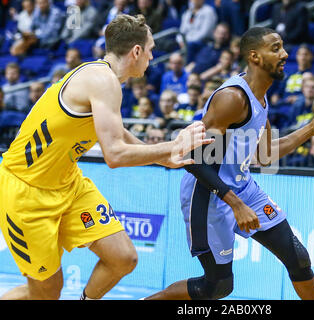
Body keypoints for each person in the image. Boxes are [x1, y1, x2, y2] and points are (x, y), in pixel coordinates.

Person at [0, 14, 211, 300]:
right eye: (150, 48)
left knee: (123, 257)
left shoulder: (106, 78)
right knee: (46, 293)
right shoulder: (102, 80)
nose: (152, 55)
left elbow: (117, 132)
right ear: (136, 51)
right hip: (26, 190)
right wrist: (173, 146)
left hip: (67, 184)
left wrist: (162, 158)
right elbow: (114, 155)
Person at [144, 27, 314, 300]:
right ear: (254, 56)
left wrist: (311, 129)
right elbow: (192, 158)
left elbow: (266, 155)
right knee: (217, 286)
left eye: (282, 47)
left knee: (298, 258)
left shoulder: (261, 98)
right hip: (208, 194)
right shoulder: (232, 98)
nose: (285, 54)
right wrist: (235, 204)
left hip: (242, 188)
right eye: (275, 48)